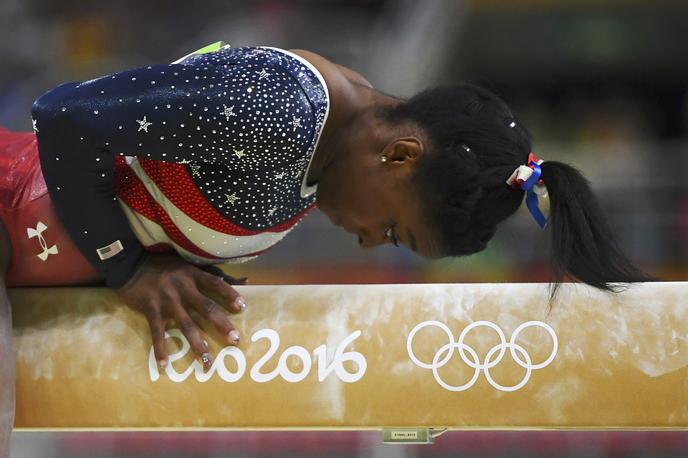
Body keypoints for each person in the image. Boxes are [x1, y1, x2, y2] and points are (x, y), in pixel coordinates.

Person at [0, 42, 655, 457]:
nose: (372, 243)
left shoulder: (328, 153)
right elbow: (62, 114)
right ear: (399, 154)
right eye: (395, 230)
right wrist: (128, 268)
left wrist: (178, 266)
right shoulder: (281, 109)